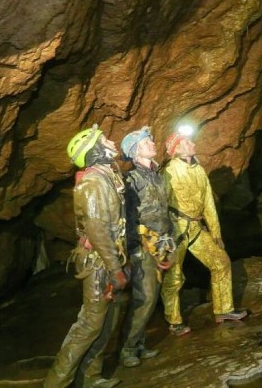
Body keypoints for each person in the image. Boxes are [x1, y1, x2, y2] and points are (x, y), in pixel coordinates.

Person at [44, 125, 129, 388]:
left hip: (109, 257)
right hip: (98, 263)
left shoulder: (106, 176)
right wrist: (115, 269)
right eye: (104, 139)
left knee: (107, 322)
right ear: (95, 150)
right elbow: (96, 228)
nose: (111, 141)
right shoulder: (93, 182)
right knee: (90, 324)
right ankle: (55, 383)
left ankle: (90, 378)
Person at [160, 126, 247, 335]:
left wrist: (216, 234)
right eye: (188, 142)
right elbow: (160, 204)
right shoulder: (168, 172)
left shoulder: (198, 170)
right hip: (176, 229)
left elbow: (208, 203)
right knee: (174, 276)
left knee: (221, 261)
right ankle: (174, 321)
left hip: (196, 228)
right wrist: (162, 238)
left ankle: (224, 309)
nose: (193, 144)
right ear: (177, 150)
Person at [118, 126, 176, 367]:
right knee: (145, 296)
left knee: (150, 298)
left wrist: (170, 239)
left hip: (161, 242)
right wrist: (134, 248)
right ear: (134, 152)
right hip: (142, 243)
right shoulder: (131, 179)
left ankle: (139, 344)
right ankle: (127, 349)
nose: (152, 144)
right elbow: (128, 217)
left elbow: (164, 210)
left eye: (150, 141)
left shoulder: (158, 175)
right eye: (145, 143)